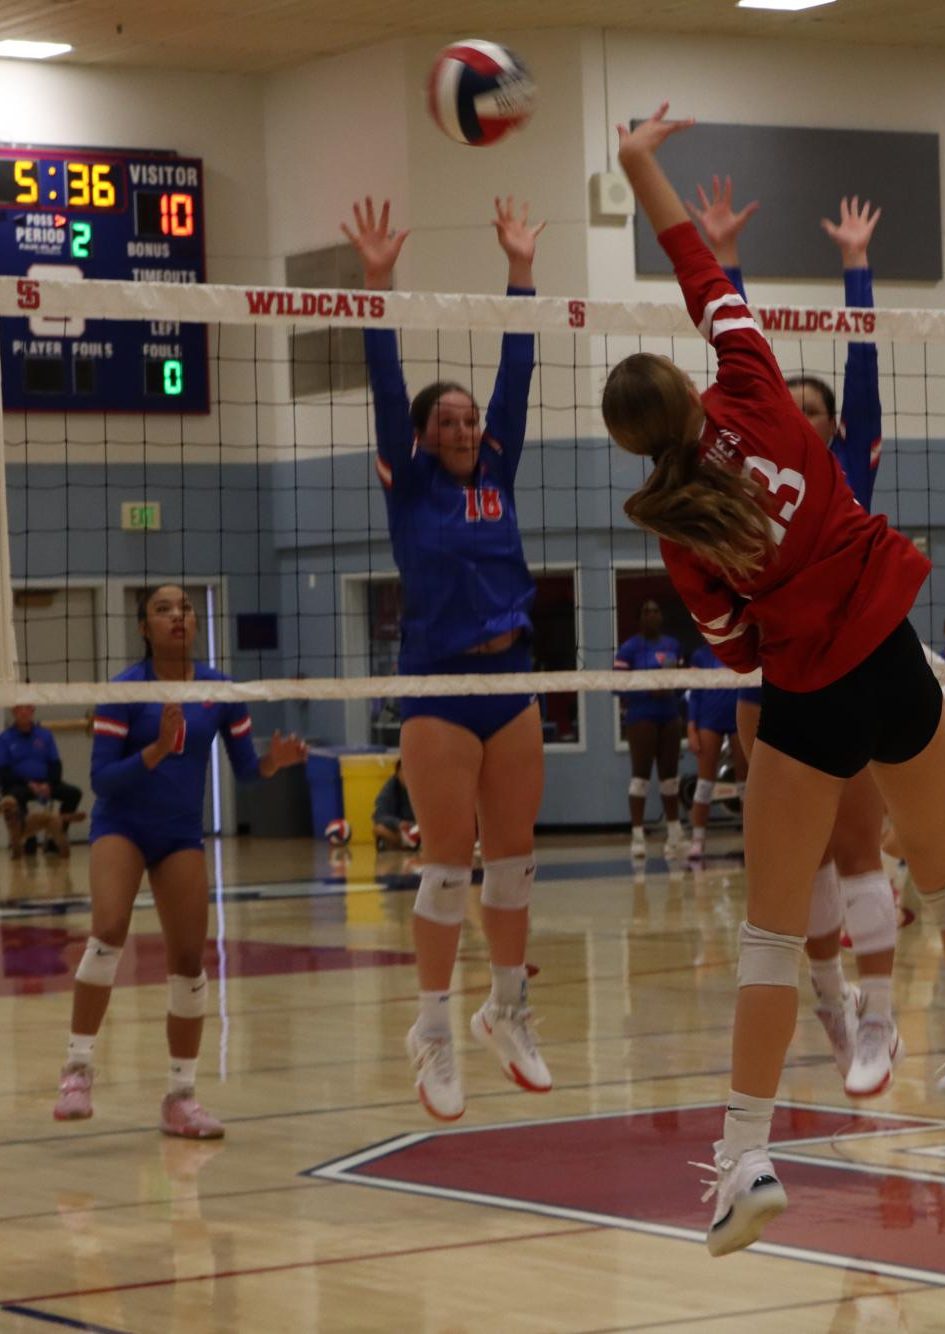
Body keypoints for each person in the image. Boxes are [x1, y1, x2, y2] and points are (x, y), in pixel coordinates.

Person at [606, 105, 945, 1256]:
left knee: (771, 935)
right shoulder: (753, 383)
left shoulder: (677, 534)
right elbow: (700, 269)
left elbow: (732, 647)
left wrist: (777, 646)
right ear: (694, 395)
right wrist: (641, 161)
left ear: (638, 446)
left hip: (802, 697)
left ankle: (745, 1153)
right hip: (892, 657)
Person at [689, 175, 906, 1100]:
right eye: (798, 410)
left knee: (861, 844)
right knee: (799, 861)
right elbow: (741, 368)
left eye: (820, 413)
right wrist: (725, 257)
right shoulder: (746, 463)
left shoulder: (849, 457)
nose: (807, 419)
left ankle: (881, 1012)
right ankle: (828, 995)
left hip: (855, 660)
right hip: (775, 679)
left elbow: (860, 370)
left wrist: (856, 267)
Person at [344, 193, 550, 1122]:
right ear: (424, 437)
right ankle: (430, 1028)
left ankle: (505, 1010)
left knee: (513, 865)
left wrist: (520, 271)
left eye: (473, 422)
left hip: (512, 680)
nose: (467, 430)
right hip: (437, 684)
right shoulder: (410, 484)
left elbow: (520, 366)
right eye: (451, 423)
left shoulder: (498, 471)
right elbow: (388, 382)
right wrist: (378, 285)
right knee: (446, 867)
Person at [52, 585, 308, 1135]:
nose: (177, 616)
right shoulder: (124, 691)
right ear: (144, 627)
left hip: (178, 833)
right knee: (109, 930)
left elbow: (244, 770)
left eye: (186, 608)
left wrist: (274, 764)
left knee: (190, 960)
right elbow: (101, 781)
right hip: (122, 824)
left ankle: (181, 1097)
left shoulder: (221, 690)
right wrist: (158, 750)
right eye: (163, 609)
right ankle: (76, 1069)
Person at [614, 599, 687, 860]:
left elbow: (680, 682)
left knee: (670, 778)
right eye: (646, 611)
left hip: (669, 716)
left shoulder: (672, 645)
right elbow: (616, 687)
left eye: (656, 610)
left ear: (662, 616)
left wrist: (671, 687)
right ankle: (637, 837)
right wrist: (648, 689)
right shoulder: (629, 649)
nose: (652, 615)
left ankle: (675, 834)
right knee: (641, 776)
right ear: (639, 618)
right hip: (641, 716)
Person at [685, 640, 746, 861]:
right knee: (704, 783)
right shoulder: (700, 655)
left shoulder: (742, 649)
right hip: (709, 720)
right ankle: (697, 841)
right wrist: (691, 728)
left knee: (745, 783)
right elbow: (693, 695)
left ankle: (750, 839)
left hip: (738, 718)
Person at [0, 705, 84, 858]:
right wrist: (28, 784)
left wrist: (49, 784)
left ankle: (56, 838)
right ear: (13, 712)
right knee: (14, 798)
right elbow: (4, 770)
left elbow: (55, 764)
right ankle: (27, 840)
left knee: (73, 793)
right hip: (20, 784)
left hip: (46, 782)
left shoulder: (45, 735)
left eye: (27, 708)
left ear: (33, 711)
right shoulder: (5, 738)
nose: (24, 712)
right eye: (20, 709)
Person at [372, 759, 419, 851]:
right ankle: (404, 846)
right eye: (404, 772)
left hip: (416, 829)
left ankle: (408, 845)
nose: (407, 776)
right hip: (398, 829)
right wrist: (398, 823)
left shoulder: (421, 787)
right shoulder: (389, 789)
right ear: (397, 773)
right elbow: (379, 815)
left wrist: (414, 825)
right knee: (379, 829)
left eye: (411, 772)